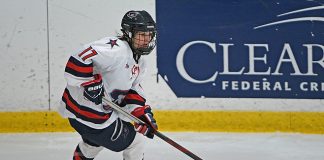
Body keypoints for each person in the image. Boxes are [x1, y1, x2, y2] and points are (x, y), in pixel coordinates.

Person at [59, 10, 158, 160]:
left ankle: (83, 154)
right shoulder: (116, 49)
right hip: (91, 117)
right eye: (141, 35)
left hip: (83, 116)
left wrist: (140, 114)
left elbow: (131, 91)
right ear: (129, 33)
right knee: (136, 142)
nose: (146, 40)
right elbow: (79, 57)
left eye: (149, 35)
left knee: (96, 142)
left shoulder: (139, 62)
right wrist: (90, 83)